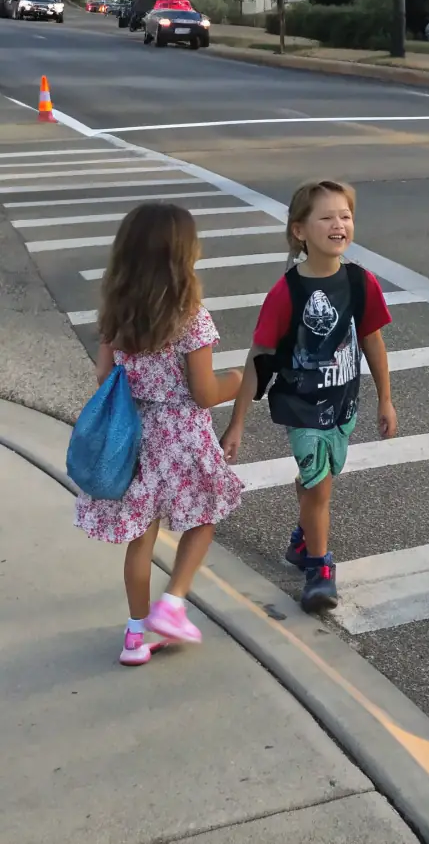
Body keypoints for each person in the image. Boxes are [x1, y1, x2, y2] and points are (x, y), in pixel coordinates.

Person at [74, 203, 244, 666]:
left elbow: (104, 374)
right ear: (181, 256)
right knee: (203, 515)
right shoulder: (191, 318)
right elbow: (204, 392)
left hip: (134, 436)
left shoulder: (117, 314)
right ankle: (172, 604)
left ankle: (135, 635)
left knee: (140, 539)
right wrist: (237, 380)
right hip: (182, 433)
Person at [221, 180, 397, 614]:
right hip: (302, 405)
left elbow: (372, 341)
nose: (339, 224)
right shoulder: (287, 292)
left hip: (344, 403)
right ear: (300, 231)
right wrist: (237, 422)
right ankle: (319, 568)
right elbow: (259, 357)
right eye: (327, 217)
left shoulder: (360, 282)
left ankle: (303, 541)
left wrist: (385, 399)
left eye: (346, 216)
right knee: (318, 488)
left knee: (321, 479)